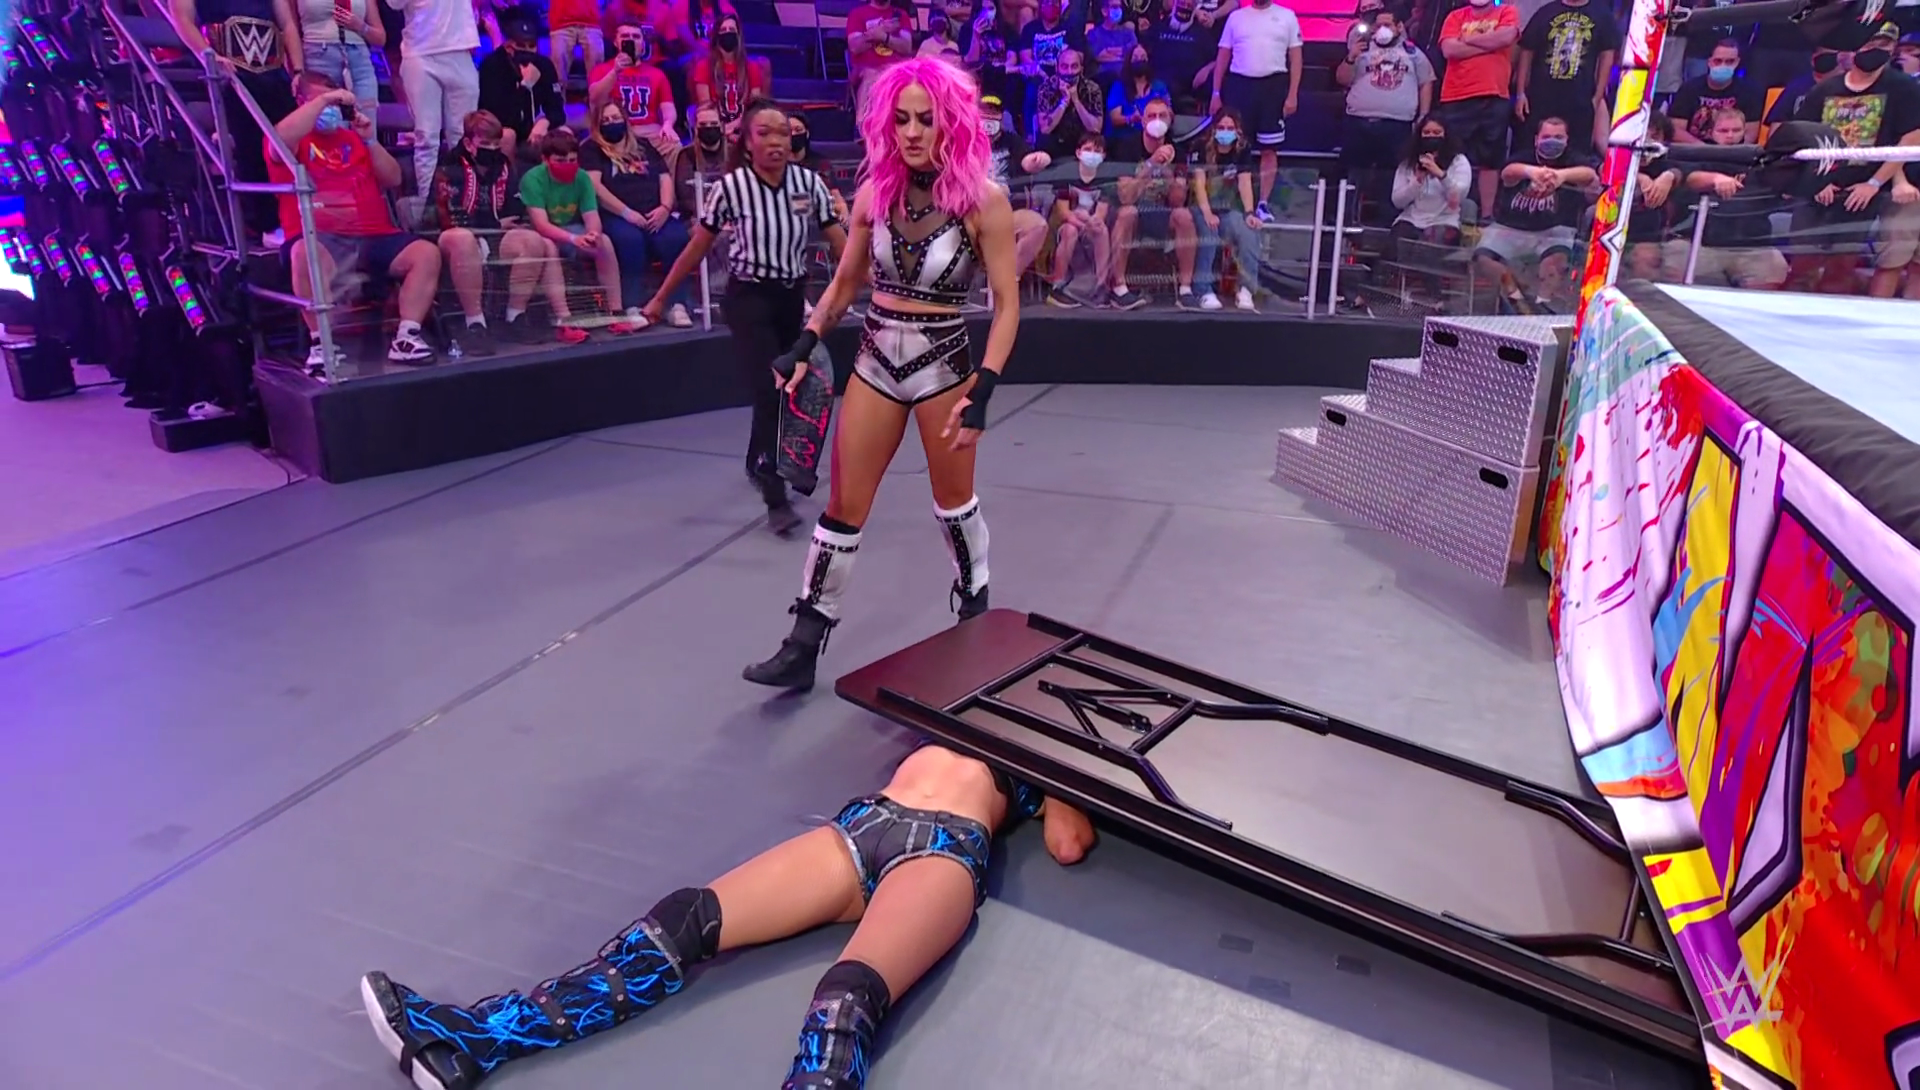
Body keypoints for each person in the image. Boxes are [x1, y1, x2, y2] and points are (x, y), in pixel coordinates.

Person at [361, 742, 1099, 1090]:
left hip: (941, 853)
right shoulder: (942, 707)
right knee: (685, 921)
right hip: (863, 827)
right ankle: (475, 1039)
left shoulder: (1037, 758)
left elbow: (1068, 845)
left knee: (844, 1005)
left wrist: (1059, 773)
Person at [728, 59, 1021, 691]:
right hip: (874, 360)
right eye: (901, 119)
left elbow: (1007, 304)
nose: (912, 132)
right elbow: (843, 286)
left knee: (953, 505)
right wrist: (804, 344)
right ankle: (804, 643)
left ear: (951, 121)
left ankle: (975, 615)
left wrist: (985, 387)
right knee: (842, 508)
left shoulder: (983, 202)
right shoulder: (874, 196)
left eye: (926, 119)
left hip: (945, 365)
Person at [642, 100, 848, 534]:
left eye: (783, 133)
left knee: (787, 389)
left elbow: (840, 244)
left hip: (792, 297)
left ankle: (759, 459)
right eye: (765, 133)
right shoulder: (731, 188)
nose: (776, 141)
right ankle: (775, 496)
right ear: (748, 142)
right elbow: (697, 248)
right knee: (770, 387)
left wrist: (865, 280)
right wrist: (661, 298)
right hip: (749, 298)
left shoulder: (809, 184)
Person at [271, 71, 442, 367]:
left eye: (335, 101)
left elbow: (393, 178)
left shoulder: (353, 138)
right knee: (304, 254)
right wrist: (324, 100)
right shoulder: (292, 139)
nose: (330, 107)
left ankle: (407, 337)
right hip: (319, 236)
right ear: (301, 102)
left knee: (425, 253)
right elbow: (279, 141)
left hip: (373, 234)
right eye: (323, 100)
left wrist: (370, 141)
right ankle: (321, 345)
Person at [1791, 20, 1920, 295]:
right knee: (1801, 268)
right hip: (1819, 189)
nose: (1874, 49)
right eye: (1869, 42)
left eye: (1883, 44)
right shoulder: (1825, 89)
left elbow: (1911, 139)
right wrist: (1816, 180)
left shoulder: (1903, 88)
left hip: (1861, 193)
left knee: (1841, 271)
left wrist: (1874, 183)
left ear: (1893, 48)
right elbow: (1800, 136)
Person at [169, 0, 302, 241]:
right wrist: (209, 56)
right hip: (231, 72)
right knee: (251, 144)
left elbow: (288, 24)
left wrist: (299, 69)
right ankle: (268, 223)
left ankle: (301, 217)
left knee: (294, 143)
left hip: (274, 72)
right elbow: (182, 19)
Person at [430, 110, 560, 353]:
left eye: (496, 145)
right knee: (464, 238)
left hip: (492, 234)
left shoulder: (503, 166)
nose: (492, 150)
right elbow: (451, 217)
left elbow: (515, 210)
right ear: (469, 143)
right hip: (449, 237)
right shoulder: (449, 167)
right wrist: (495, 223)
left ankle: (515, 316)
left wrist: (495, 225)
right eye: (485, 144)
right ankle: (475, 323)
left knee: (531, 240)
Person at [520, 128, 648, 332]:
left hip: (572, 229)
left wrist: (592, 235)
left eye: (572, 160)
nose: (568, 165)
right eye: (561, 161)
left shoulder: (582, 178)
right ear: (545, 160)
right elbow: (541, 224)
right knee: (549, 248)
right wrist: (573, 239)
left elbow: (591, 216)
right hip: (538, 234)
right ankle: (565, 320)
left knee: (604, 242)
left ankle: (615, 312)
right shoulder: (532, 179)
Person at [585, 100, 696, 328]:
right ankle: (632, 306)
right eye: (605, 120)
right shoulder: (591, 149)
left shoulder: (643, 145)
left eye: (616, 118)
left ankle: (676, 304)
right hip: (617, 214)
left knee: (675, 237)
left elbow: (664, 178)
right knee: (630, 240)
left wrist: (665, 208)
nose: (611, 123)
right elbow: (594, 186)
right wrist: (626, 212)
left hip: (655, 212)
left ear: (625, 120)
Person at [1472, 115, 1598, 313]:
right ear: (1536, 139)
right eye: (1546, 137)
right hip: (1511, 228)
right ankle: (1519, 302)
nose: (1552, 141)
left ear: (1567, 140)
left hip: (1553, 231)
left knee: (1554, 263)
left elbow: (1589, 175)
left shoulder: (1573, 159)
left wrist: (1560, 176)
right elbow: (1508, 172)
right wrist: (1532, 173)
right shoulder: (1523, 156)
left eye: (1558, 137)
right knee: (1483, 259)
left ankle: (1541, 308)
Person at [1665, 107, 1789, 289]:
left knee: (1775, 264)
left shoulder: (1763, 163)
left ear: (1745, 131)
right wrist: (1714, 179)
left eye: (1736, 130)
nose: (1730, 136)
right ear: (1711, 132)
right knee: (1674, 253)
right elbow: (1689, 178)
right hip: (1701, 245)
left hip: (1751, 248)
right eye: (1723, 131)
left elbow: (1786, 187)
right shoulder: (1696, 159)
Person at [1336, 3, 1434, 226]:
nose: (1382, 29)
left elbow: (1426, 81)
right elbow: (1342, 79)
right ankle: (1346, 220)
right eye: (1378, 25)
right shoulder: (1361, 50)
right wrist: (1351, 57)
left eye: (1387, 25)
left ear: (1399, 27)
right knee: (1354, 173)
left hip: (1397, 125)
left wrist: (1424, 116)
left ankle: (1386, 224)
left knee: (1391, 176)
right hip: (1359, 122)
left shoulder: (1413, 53)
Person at [1210, 0, 1300, 223]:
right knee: (1234, 144)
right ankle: (1232, 201)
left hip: (1273, 86)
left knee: (1269, 148)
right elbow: (1223, 56)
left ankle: (1262, 204)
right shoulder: (1236, 17)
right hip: (1240, 85)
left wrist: (1292, 94)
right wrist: (1215, 92)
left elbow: (1296, 58)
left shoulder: (1287, 16)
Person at [391, 0, 483, 206]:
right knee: (426, 136)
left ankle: (466, 202)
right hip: (420, 53)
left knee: (464, 135)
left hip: (460, 51)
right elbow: (394, 4)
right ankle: (428, 206)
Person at [1436, 0, 1520, 218]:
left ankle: (1487, 215)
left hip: (1494, 94)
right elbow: (1449, 49)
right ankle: (1448, 212)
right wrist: (1490, 42)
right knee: (1451, 156)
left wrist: (1468, 39)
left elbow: (1506, 37)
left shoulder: (1507, 11)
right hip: (1456, 95)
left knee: (1490, 159)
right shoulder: (1455, 16)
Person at [1107, 94, 1190, 309]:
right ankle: (1119, 288)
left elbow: (1178, 201)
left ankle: (1186, 290)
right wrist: (1151, 164)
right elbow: (1126, 196)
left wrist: (1168, 173)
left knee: (1184, 216)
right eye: (1151, 116)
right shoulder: (1126, 147)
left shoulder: (1178, 152)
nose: (1157, 120)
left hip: (1160, 214)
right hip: (1132, 212)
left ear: (1169, 121)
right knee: (1127, 212)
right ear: (1143, 121)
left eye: (1162, 116)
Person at [1514, 0, 1619, 154]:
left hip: (1580, 98)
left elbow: (1607, 56)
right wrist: (1520, 93)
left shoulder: (1602, 15)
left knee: (1577, 152)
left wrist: (1597, 97)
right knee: (1532, 150)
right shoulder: (1545, 12)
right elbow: (1526, 51)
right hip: (1540, 96)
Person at [1187, 106, 1264, 311]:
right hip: (1199, 207)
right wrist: (1207, 213)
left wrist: (1249, 213)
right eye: (1221, 127)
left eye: (1230, 128)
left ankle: (1246, 289)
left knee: (1248, 230)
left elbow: (1244, 183)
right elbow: (1199, 185)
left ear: (1237, 130)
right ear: (1214, 128)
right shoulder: (1200, 147)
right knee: (1209, 230)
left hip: (1227, 209)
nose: (1225, 131)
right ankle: (1203, 290)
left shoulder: (1242, 148)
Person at [982, 92, 1054, 280]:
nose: (988, 117)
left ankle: (1006, 279)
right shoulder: (965, 142)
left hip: (1005, 211)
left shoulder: (1012, 141)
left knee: (1038, 226)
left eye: (993, 113)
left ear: (1001, 117)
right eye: (984, 112)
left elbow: (1027, 161)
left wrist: (1040, 159)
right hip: (973, 213)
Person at [476, 15, 565, 162]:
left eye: (532, 46)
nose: (527, 51)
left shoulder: (544, 65)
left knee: (564, 132)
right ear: (508, 47)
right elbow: (498, 117)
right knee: (508, 135)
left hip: (535, 129)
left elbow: (558, 110)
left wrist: (545, 122)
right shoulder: (491, 66)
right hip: (503, 129)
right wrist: (525, 86)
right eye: (521, 46)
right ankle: (506, 175)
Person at [299, 0, 385, 144]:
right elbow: (290, 28)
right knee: (330, 131)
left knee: (368, 134)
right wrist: (297, 69)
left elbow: (380, 38)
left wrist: (360, 26)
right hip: (319, 60)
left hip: (359, 62)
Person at [1046, 131, 1115, 306]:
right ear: (1078, 153)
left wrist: (1091, 222)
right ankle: (1057, 286)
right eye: (1088, 149)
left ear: (1103, 156)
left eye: (1097, 151)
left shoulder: (1107, 176)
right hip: (1068, 223)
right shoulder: (1066, 173)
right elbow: (1064, 212)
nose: (1092, 154)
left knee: (1101, 230)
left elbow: (1101, 213)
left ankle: (1102, 286)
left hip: (1091, 223)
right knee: (1070, 230)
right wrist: (1080, 222)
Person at [1389, 112, 1470, 254]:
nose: (1431, 136)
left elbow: (1458, 197)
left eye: (1437, 133)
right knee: (1395, 247)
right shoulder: (1408, 163)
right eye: (1426, 133)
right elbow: (1398, 202)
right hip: (1411, 219)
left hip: (1443, 220)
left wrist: (1441, 175)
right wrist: (1416, 181)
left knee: (1430, 251)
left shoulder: (1459, 161)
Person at [591, 22, 681, 139]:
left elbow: (668, 107)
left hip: (650, 130)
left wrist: (668, 125)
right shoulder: (601, 70)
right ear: (616, 42)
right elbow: (595, 99)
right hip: (616, 129)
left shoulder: (657, 74)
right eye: (625, 36)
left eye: (636, 37)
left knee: (674, 143)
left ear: (643, 44)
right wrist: (615, 72)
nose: (631, 40)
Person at [1668, 38, 1763, 143]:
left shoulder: (1750, 91)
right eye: (1718, 61)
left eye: (1730, 61)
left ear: (1737, 62)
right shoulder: (1689, 88)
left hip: (1734, 150)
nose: (1723, 65)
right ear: (1709, 62)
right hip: (1695, 148)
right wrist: (1702, 148)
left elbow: (1750, 134)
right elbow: (1676, 130)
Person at [691, 12, 772, 125]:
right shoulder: (703, 66)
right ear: (716, 36)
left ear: (738, 35)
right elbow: (705, 106)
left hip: (744, 126)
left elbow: (754, 107)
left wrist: (735, 126)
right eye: (723, 30)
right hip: (715, 126)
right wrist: (724, 129)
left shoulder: (751, 67)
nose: (728, 33)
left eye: (731, 30)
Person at [1036, 48, 1107, 157]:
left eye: (1074, 66)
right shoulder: (1046, 88)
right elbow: (1045, 129)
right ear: (1057, 68)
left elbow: (1096, 129)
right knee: (1043, 141)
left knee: (1098, 143)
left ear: (1081, 69)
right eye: (1064, 67)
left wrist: (1076, 100)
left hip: (1083, 141)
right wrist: (1064, 102)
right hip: (1056, 140)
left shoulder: (1092, 88)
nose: (1069, 72)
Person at [848, 0, 916, 109]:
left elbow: (906, 47)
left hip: (896, 70)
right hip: (866, 70)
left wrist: (884, 37)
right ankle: (862, 119)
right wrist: (880, 31)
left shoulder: (900, 16)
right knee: (871, 77)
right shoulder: (857, 14)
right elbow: (855, 47)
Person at [1106, 42, 1168, 137]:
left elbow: (1169, 113)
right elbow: (1114, 118)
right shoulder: (1119, 86)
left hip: (1155, 134)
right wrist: (1131, 119)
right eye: (1135, 58)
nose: (1139, 61)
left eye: (1143, 58)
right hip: (1125, 136)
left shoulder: (1159, 86)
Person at [546, 0, 604, 80]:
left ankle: (596, 87)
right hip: (561, 23)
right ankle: (559, 88)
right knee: (558, 56)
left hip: (590, 23)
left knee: (596, 53)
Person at [1088, 0, 1138, 82]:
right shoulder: (1094, 34)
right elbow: (1099, 56)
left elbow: (1134, 54)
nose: (1118, 10)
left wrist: (1110, 52)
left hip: (1128, 79)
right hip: (1104, 80)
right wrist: (1124, 54)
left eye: (1120, 7)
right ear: (1104, 11)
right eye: (1114, 7)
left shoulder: (1128, 33)